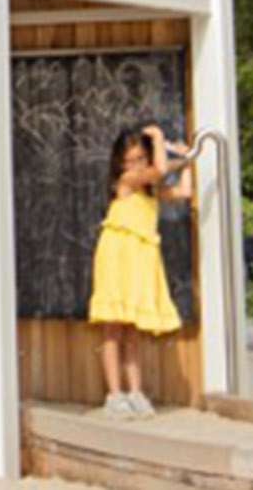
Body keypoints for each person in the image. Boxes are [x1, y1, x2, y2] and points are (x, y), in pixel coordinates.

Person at [87, 125, 196, 416]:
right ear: (120, 163)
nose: (134, 165)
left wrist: (188, 161)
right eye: (128, 160)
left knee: (132, 329)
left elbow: (185, 192)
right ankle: (114, 395)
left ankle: (135, 392)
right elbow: (160, 169)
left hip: (139, 259)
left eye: (139, 158)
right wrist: (160, 139)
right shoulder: (126, 181)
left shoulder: (150, 191)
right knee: (112, 328)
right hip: (117, 256)